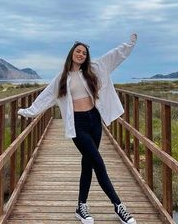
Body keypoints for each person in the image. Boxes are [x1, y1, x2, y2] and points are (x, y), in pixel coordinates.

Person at [18, 33, 138, 224]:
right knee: (98, 162)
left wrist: (130, 43)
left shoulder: (95, 69)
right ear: (71, 54)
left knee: (88, 163)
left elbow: (115, 55)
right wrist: (28, 111)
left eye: (84, 52)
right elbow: (46, 97)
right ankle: (118, 206)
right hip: (79, 124)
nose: (81, 54)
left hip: (94, 120)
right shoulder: (62, 78)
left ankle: (81, 207)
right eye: (78, 51)